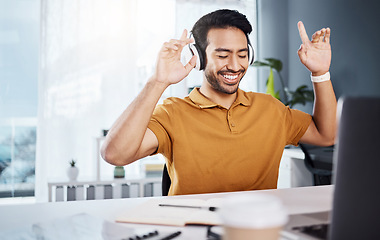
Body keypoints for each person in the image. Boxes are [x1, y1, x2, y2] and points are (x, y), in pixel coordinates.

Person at [101, 9, 336, 196]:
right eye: (223, 55)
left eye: (242, 54)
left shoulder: (270, 109)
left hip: (255, 230)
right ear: (201, 58)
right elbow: (115, 154)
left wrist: (321, 73)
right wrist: (157, 82)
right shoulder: (173, 114)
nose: (234, 65)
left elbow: (326, 136)